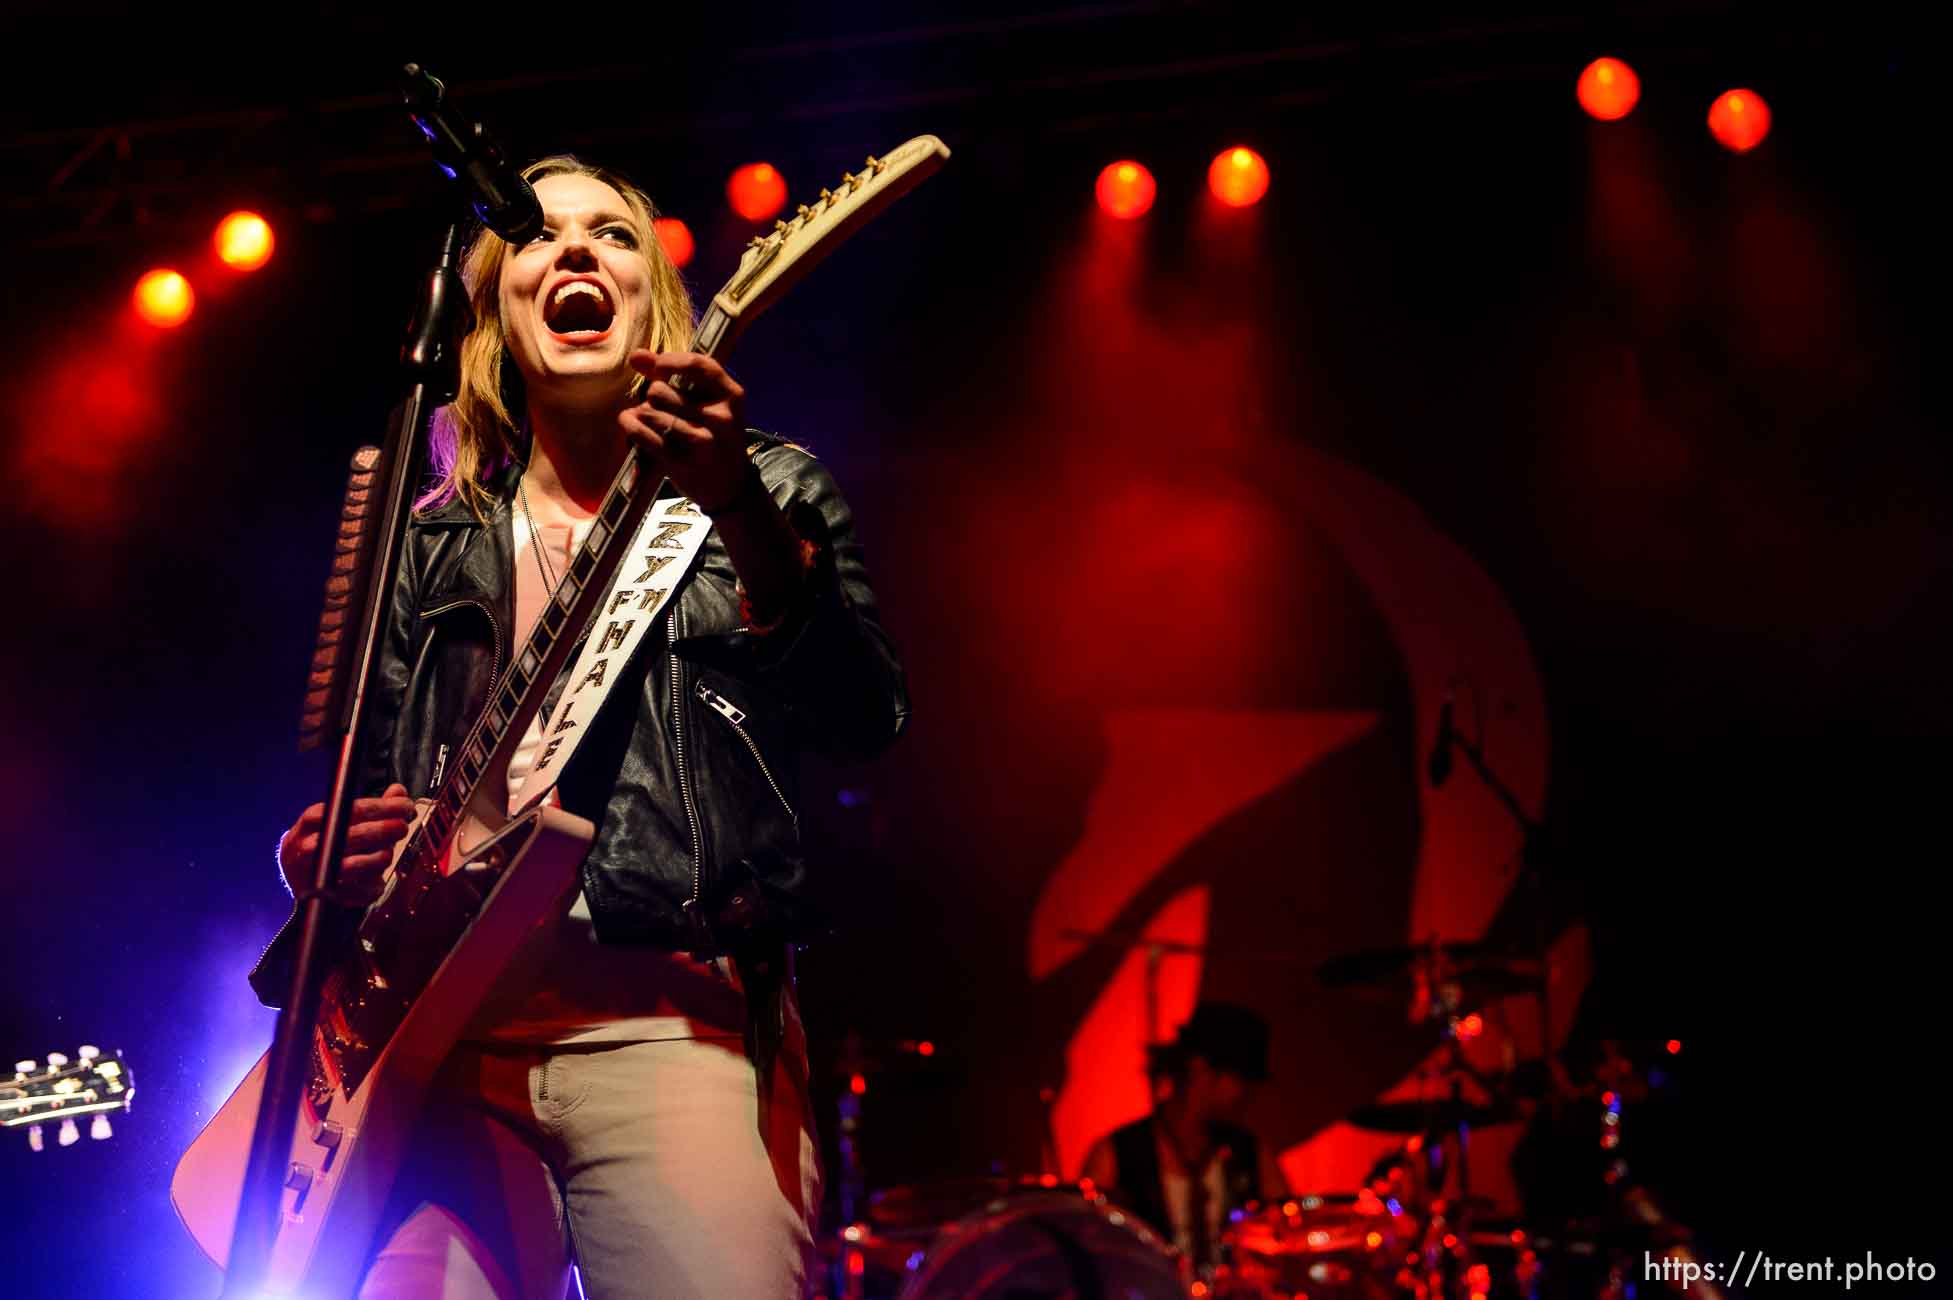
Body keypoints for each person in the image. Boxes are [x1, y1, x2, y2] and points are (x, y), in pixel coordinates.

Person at [253, 154, 909, 1299]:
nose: (571, 252)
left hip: (675, 1023)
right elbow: (395, 804)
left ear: (653, 293)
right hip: (437, 1049)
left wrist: (738, 510)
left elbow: (864, 715)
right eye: (537, 241)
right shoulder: (427, 534)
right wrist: (323, 864)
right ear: (495, 318)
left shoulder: (774, 488)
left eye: (609, 233)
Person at [1078, 1002, 1290, 1274]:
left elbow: (1287, 1231)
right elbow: (1090, 1249)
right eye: (1241, 1080)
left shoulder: (1248, 1151)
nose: (1248, 1095)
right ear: (1200, 1069)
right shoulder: (1118, 1153)